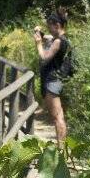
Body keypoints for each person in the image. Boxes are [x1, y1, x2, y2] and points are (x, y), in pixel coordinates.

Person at [33, 9, 71, 147]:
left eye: (50, 26)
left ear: (57, 25)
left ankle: (61, 149)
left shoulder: (58, 42)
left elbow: (44, 57)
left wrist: (38, 44)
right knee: (58, 116)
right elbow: (46, 37)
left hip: (52, 82)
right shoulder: (63, 39)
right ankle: (62, 148)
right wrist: (39, 33)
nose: (49, 29)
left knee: (57, 118)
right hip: (56, 81)